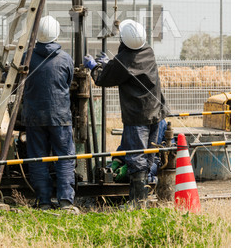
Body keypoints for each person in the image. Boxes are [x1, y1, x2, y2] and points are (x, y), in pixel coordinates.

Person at [83, 19, 168, 208]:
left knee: (136, 158)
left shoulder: (123, 62)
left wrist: (94, 67)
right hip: (156, 114)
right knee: (148, 156)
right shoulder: (148, 52)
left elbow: (103, 79)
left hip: (138, 116)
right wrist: (110, 63)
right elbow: (124, 68)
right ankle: (143, 199)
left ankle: (137, 203)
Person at [21, 15, 78, 213]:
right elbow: (68, 83)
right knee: (64, 156)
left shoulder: (27, 57)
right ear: (57, 33)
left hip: (34, 116)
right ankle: (65, 202)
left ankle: (43, 201)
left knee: (37, 157)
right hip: (60, 116)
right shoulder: (65, 58)